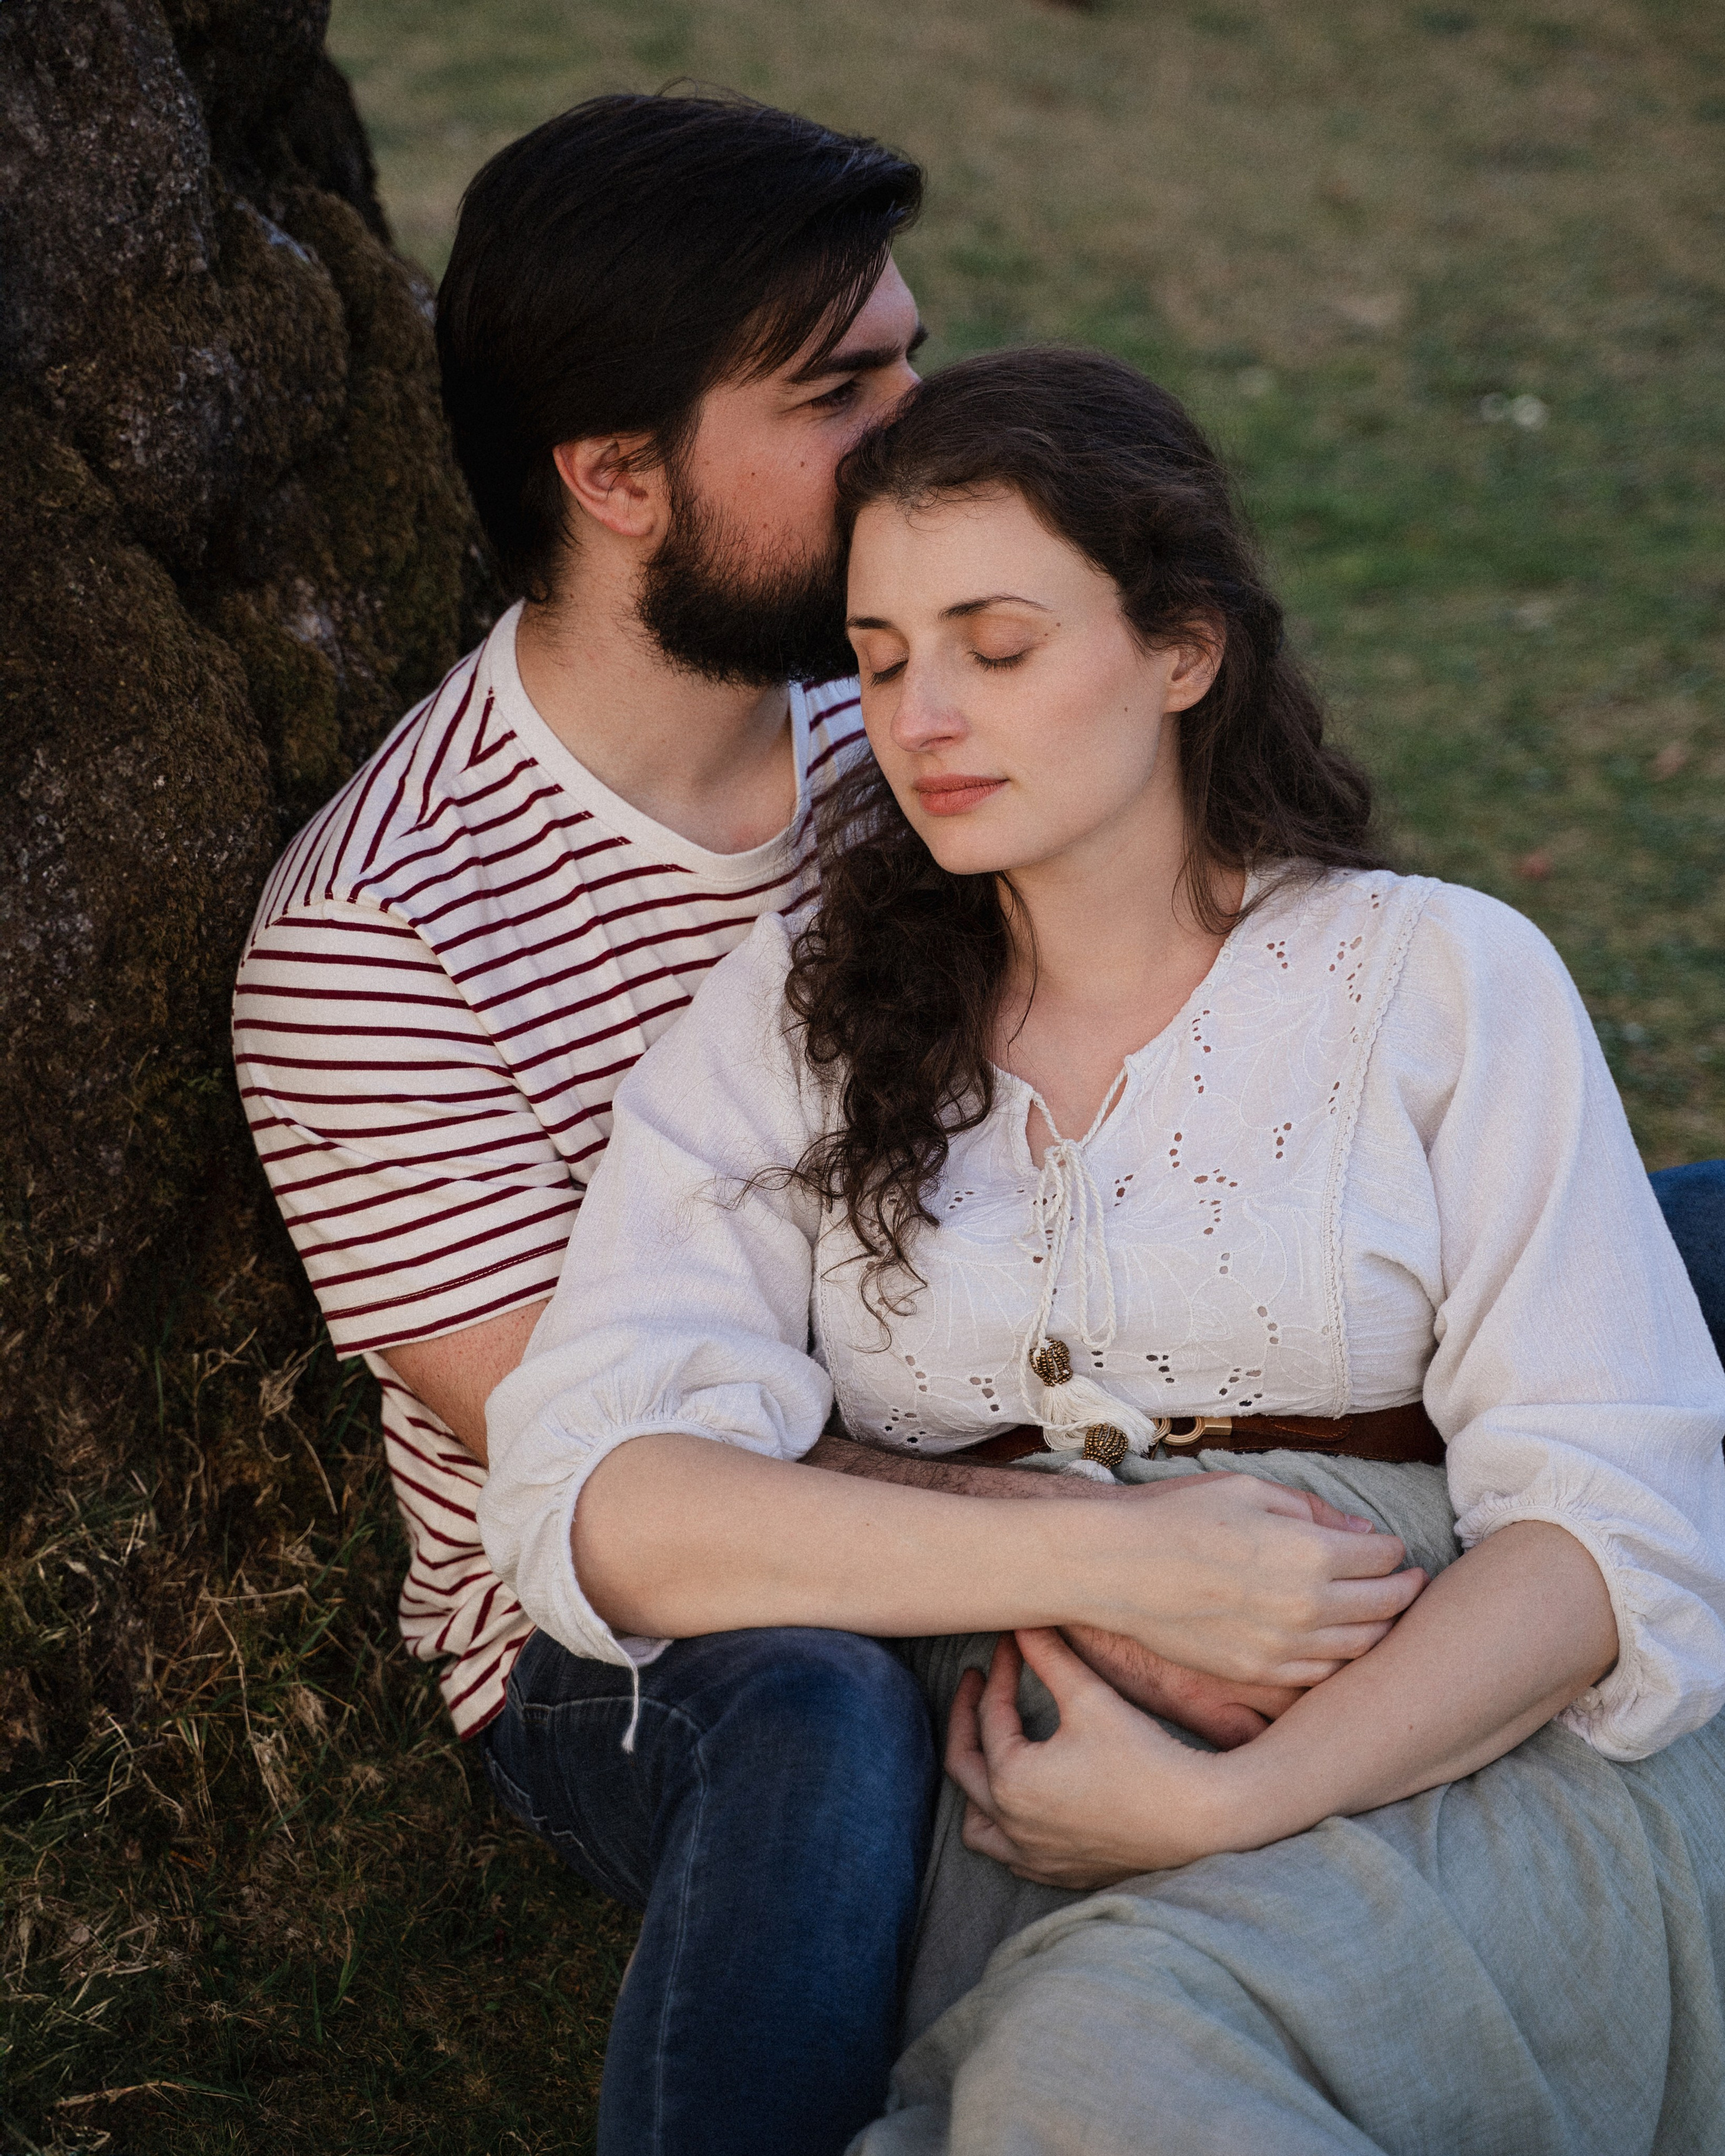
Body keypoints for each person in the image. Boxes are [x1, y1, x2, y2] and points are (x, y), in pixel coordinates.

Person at [478, 348, 1725, 2154]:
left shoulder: (1440, 981)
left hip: (1457, 1781)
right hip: (1030, 1826)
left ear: (1182, 651)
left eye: (998, 647)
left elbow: (1610, 1528)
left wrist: (1231, 1807)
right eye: (886, 659)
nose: (922, 719)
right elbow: (600, 1492)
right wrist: (1121, 1567)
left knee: (1100, 2067)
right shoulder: (798, 1022)